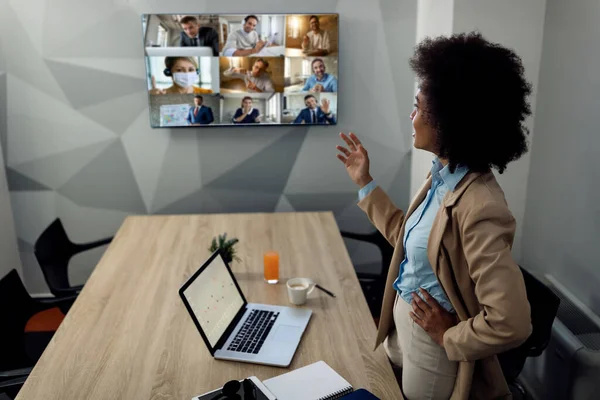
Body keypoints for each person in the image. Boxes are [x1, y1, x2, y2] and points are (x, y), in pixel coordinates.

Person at [335, 32, 533, 399]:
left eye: (418, 106)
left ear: (447, 119)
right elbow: (410, 241)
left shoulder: (482, 206)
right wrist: (364, 181)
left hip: (431, 347)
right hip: (401, 324)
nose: (411, 115)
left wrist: (448, 335)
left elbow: (513, 321)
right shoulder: (441, 176)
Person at [149, 57, 213, 95]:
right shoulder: (161, 95)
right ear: (169, 73)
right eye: (179, 70)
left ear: (197, 72)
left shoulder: (208, 93)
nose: (187, 74)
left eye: (191, 69)